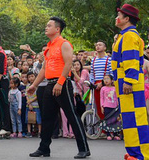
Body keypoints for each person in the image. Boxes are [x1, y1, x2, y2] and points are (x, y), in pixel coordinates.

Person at [27, 17, 90, 159]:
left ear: (57, 29)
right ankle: (44, 149)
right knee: (47, 118)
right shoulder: (48, 47)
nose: (46, 27)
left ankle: (84, 149)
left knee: (72, 116)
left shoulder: (64, 44)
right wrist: (34, 85)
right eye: (46, 25)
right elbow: (44, 69)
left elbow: (69, 64)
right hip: (50, 85)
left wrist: (60, 82)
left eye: (49, 25)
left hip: (62, 84)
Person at [112, 4, 149, 160]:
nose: (116, 18)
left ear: (126, 19)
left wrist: (129, 81)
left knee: (135, 120)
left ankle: (141, 155)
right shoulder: (127, 35)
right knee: (131, 120)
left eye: (119, 15)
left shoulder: (130, 36)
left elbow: (130, 60)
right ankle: (134, 153)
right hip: (126, 82)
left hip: (129, 82)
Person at [89, 40, 112, 120]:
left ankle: (109, 127)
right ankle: (102, 128)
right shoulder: (93, 60)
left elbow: (111, 73)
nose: (98, 46)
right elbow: (92, 73)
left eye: (100, 45)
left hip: (106, 84)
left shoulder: (109, 59)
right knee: (99, 106)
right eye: (97, 45)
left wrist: (103, 83)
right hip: (96, 85)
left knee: (107, 106)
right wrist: (92, 83)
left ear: (105, 48)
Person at [100, 75, 121, 141]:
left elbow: (117, 97)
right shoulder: (103, 88)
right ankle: (108, 134)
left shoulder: (115, 88)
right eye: (104, 79)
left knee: (115, 121)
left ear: (112, 80)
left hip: (114, 107)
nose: (106, 80)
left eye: (107, 78)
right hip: (106, 106)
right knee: (107, 121)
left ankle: (115, 134)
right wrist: (102, 106)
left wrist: (118, 105)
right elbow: (101, 98)